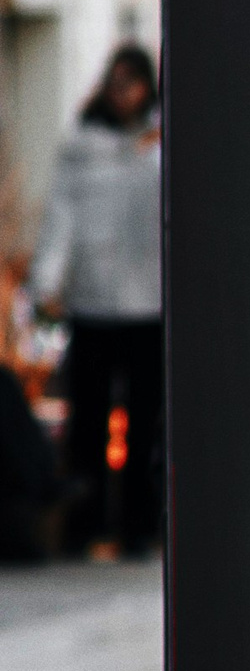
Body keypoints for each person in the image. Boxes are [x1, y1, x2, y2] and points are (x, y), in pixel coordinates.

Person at [30, 44, 162, 561]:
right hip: (94, 302)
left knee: (146, 418)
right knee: (88, 419)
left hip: (149, 305)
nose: (122, 92)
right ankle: (83, 526)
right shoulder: (82, 147)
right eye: (116, 81)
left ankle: (137, 525)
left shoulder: (161, 146)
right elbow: (60, 218)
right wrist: (45, 284)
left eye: (132, 82)